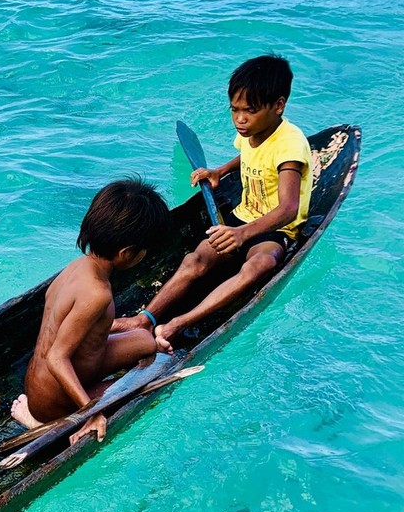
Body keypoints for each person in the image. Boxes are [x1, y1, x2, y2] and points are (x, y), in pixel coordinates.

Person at [113, 54, 311, 349]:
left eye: (250, 111)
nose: (240, 120)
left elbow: (288, 209)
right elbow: (249, 154)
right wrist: (220, 171)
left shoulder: (291, 145)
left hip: (274, 229)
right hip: (241, 217)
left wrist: (242, 234)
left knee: (259, 266)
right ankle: (146, 318)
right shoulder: (251, 130)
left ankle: (181, 322)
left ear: (278, 106)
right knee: (195, 260)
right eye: (235, 111)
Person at [11, 178, 172, 443]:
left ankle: (46, 414)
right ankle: (44, 424)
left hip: (39, 386)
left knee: (145, 340)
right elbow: (56, 358)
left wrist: (128, 325)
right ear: (127, 253)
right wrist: (92, 413)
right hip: (52, 401)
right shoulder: (97, 293)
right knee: (160, 371)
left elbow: (84, 330)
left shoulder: (76, 268)